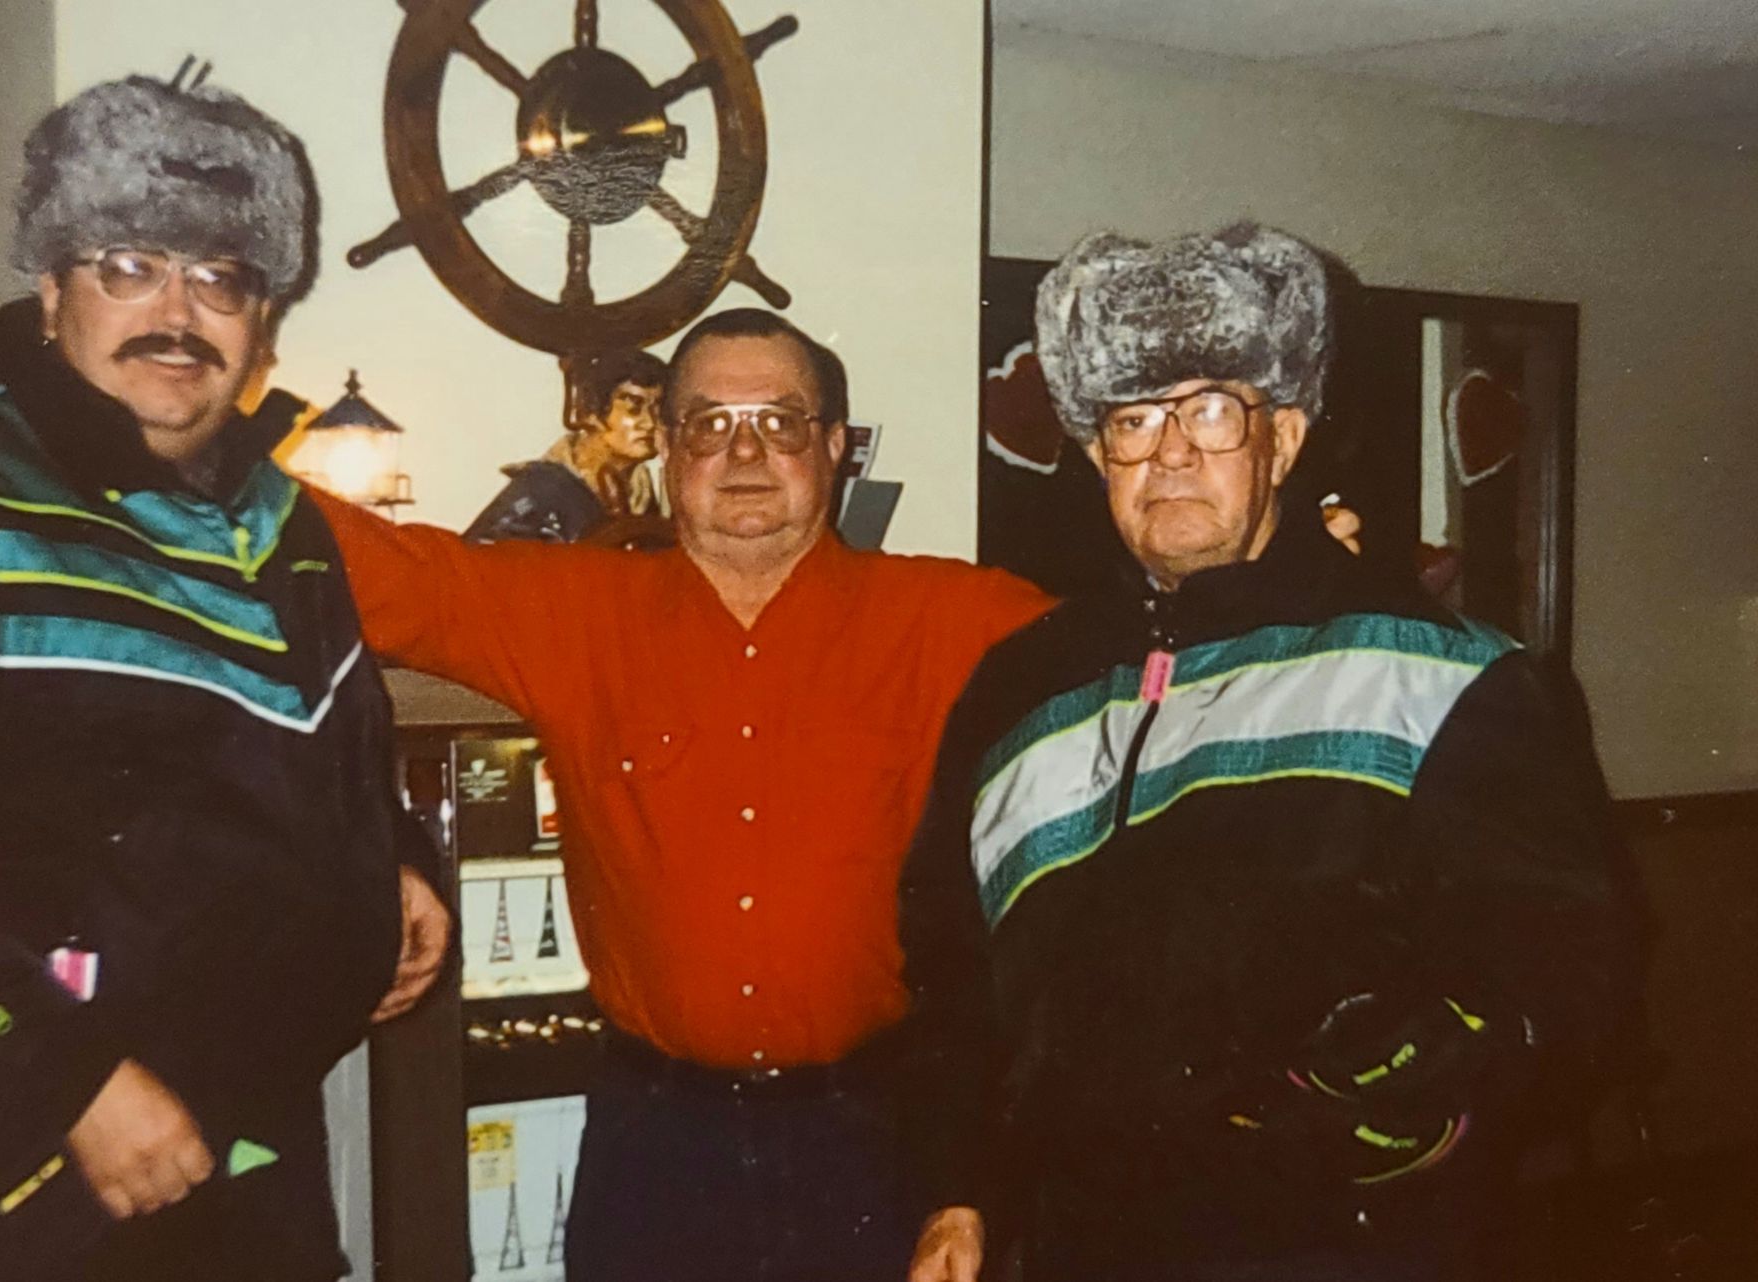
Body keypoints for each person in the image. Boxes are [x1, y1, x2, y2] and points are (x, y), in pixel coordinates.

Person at [0, 73, 449, 1282]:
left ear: (261, 318)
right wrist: (69, 1077)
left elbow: (320, 759)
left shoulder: (286, 523)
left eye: (219, 276)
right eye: (130, 265)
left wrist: (399, 863)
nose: (178, 312)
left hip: (258, 1163)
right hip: (47, 1178)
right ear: (51, 289)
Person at [898, 224, 1644, 1282]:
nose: (1169, 453)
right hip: (1082, 1240)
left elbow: (1565, 972)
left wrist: (1400, 1086)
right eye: (1132, 420)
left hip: (1343, 1243)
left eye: (1210, 410)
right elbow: (951, 967)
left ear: (1282, 439)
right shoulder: (1019, 690)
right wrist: (960, 1187)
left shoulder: (1443, 672)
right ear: (1098, 455)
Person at [315, 308, 1060, 1282]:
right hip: (654, 1144)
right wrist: (187, 440)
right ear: (667, 449)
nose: (743, 453)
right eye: (709, 424)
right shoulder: (576, 610)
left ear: (834, 446)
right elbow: (373, 572)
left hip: (879, 1135)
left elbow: (1131, 657)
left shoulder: (955, 615)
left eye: (779, 422)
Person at [463, 348, 669, 544]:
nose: (650, 423)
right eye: (633, 407)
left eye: (658, 410)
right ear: (592, 411)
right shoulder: (541, 489)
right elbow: (478, 556)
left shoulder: (642, 495)